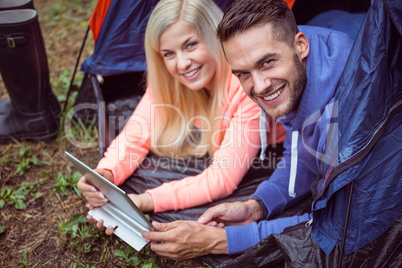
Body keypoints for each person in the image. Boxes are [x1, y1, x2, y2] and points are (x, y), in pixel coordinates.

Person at [141, 0, 357, 260]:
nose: (260, 85)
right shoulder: (298, 81)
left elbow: (343, 225)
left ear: (301, 45)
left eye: (266, 62)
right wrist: (256, 206)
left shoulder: (348, 115)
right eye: (243, 73)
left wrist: (222, 240)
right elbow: (299, 157)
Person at [77, 0, 285, 231]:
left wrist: (146, 200)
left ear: (216, 37)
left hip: (273, 147)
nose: (182, 64)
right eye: (169, 53)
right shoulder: (170, 82)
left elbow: (223, 178)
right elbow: (135, 136)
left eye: (191, 45)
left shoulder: (247, 86)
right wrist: (106, 174)